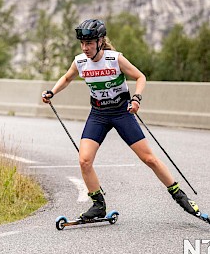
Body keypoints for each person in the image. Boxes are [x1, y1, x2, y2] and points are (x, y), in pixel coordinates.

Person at [42, 19, 200, 220]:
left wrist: (136, 98)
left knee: (148, 158)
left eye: (89, 43)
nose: (85, 48)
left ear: (100, 41)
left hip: (121, 112)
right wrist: (52, 92)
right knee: (84, 160)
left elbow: (140, 77)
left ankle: (180, 196)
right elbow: (66, 78)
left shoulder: (115, 59)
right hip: (98, 114)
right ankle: (98, 205)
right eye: (82, 43)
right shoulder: (80, 61)